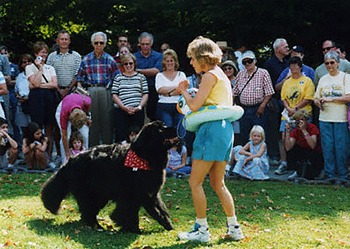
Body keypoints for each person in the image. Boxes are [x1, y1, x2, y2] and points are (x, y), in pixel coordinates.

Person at [177, 36, 243, 242]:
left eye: (193, 59)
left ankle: (201, 230)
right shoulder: (221, 75)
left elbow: (195, 106)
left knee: (194, 181)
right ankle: (234, 228)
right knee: (218, 183)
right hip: (225, 131)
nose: (191, 62)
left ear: (202, 58)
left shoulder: (208, 76)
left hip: (211, 130)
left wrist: (183, 92)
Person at [76, 31, 119, 146]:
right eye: (96, 43)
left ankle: (108, 148)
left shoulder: (110, 59)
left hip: (106, 91)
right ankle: (92, 149)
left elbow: (117, 78)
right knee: (92, 121)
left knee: (107, 121)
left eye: (101, 43)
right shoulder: (86, 59)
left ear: (105, 44)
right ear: (92, 44)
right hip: (90, 91)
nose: (98, 45)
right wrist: (83, 94)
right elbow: (79, 79)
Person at [275, 56, 315, 175]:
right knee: (284, 137)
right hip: (288, 114)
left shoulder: (307, 81)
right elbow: (283, 98)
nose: (292, 68)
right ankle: (284, 162)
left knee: (302, 138)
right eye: (291, 66)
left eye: (295, 65)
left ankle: (301, 164)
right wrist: (288, 108)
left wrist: (296, 108)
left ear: (300, 67)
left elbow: (308, 98)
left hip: (302, 113)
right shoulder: (287, 82)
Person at [314, 51, 350, 180]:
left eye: (332, 62)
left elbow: (348, 97)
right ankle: (329, 175)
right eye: (327, 63)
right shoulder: (323, 79)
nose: (329, 65)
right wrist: (318, 102)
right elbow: (316, 97)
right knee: (327, 146)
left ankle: (343, 175)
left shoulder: (345, 77)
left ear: (338, 63)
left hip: (340, 118)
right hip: (324, 117)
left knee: (341, 147)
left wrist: (332, 99)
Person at [232, 50, 274, 145]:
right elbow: (235, 92)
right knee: (244, 134)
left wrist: (262, 106)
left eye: (249, 61)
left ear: (254, 61)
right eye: (244, 62)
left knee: (259, 133)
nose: (247, 64)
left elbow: (269, 92)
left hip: (258, 108)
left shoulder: (263, 73)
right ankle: (246, 156)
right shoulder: (240, 74)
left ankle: (260, 156)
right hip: (244, 109)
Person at [25, 41, 58, 162]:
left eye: (45, 53)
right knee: (37, 127)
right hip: (36, 98)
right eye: (41, 53)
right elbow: (36, 82)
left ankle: (48, 156)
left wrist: (38, 85)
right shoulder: (30, 67)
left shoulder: (51, 68)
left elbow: (55, 84)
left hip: (49, 98)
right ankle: (37, 156)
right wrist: (39, 69)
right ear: (36, 54)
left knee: (49, 126)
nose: (44, 55)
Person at [263, 38, 289, 165]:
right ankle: (274, 155)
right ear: (277, 49)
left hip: (287, 99)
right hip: (273, 99)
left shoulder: (287, 63)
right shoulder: (269, 64)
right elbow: (266, 84)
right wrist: (269, 101)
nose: (287, 49)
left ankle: (287, 156)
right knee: (273, 128)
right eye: (285, 47)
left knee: (286, 128)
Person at [112, 53, 148, 143]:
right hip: (122, 112)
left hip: (138, 112)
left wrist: (139, 107)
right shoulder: (118, 77)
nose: (128, 66)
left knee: (138, 138)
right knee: (122, 138)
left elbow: (145, 94)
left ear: (134, 64)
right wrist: (123, 107)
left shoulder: (141, 77)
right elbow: (114, 95)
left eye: (131, 63)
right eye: (126, 64)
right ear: (122, 65)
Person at [284, 109, 323, 180]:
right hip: (303, 151)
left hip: (315, 152)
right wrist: (288, 132)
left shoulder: (312, 128)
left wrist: (304, 130)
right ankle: (297, 170)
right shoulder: (296, 130)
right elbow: (288, 148)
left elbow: (312, 145)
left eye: (302, 120)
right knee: (293, 151)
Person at [55, 88, 91, 163]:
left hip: (80, 107)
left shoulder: (87, 101)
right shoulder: (63, 114)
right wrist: (68, 154)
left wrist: (88, 118)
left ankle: (84, 158)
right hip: (63, 108)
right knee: (66, 136)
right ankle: (65, 161)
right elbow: (64, 136)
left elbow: (88, 111)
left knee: (85, 135)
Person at [134, 32, 163, 121]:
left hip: (154, 90)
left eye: (147, 44)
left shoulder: (159, 56)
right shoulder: (134, 57)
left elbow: (156, 71)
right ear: (139, 44)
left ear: (151, 44)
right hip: (137, 90)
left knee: (153, 117)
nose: (145, 46)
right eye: (143, 44)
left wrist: (138, 70)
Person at [155, 49, 186, 127]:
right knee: (167, 129)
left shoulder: (181, 75)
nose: (169, 63)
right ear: (164, 62)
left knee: (181, 128)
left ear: (175, 62)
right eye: (167, 61)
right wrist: (176, 87)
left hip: (179, 106)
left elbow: (183, 90)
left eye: (171, 60)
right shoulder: (159, 75)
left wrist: (168, 93)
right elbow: (160, 90)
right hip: (164, 106)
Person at [46, 30, 82, 98]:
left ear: (69, 41)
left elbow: (78, 75)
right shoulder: (51, 56)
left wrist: (68, 89)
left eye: (66, 39)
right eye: (62, 39)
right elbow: (48, 74)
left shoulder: (76, 56)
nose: (64, 41)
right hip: (54, 91)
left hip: (72, 91)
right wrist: (58, 89)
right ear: (57, 41)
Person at [0, 46, 20, 144]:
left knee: (7, 121)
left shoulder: (3, 59)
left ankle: (10, 146)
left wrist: (2, 78)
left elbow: (8, 77)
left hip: (4, 97)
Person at [15, 54, 33, 139]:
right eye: (24, 62)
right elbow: (16, 90)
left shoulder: (36, 74)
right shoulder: (19, 76)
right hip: (21, 104)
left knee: (34, 128)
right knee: (24, 129)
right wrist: (18, 96)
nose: (27, 63)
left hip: (33, 103)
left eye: (29, 61)